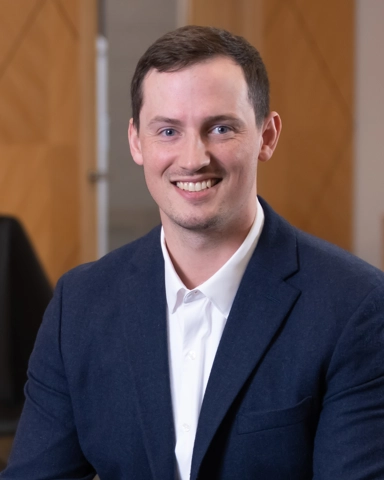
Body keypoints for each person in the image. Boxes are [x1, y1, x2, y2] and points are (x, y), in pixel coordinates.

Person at [2, 25, 384, 480]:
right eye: (167, 130)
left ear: (266, 136)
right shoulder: (78, 304)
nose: (192, 158)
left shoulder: (355, 306)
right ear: (135, 141)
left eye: (220, 128)